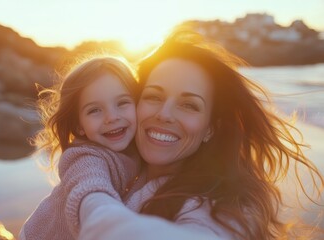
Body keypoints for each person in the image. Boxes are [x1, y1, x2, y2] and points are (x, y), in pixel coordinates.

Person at [77, 31, 324, 240]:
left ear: (210, 128)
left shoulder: (222, 207)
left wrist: (91, 202)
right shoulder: (115, 170)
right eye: (154, 96)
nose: (164, 114)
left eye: (189, 105)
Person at [19, 56, 141, 240]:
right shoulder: (84, 159)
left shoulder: (139, 150)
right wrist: (108, 218)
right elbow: (90, 188)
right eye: (94, 110)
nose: (111, 117)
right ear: (79, 126)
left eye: (122, 102)